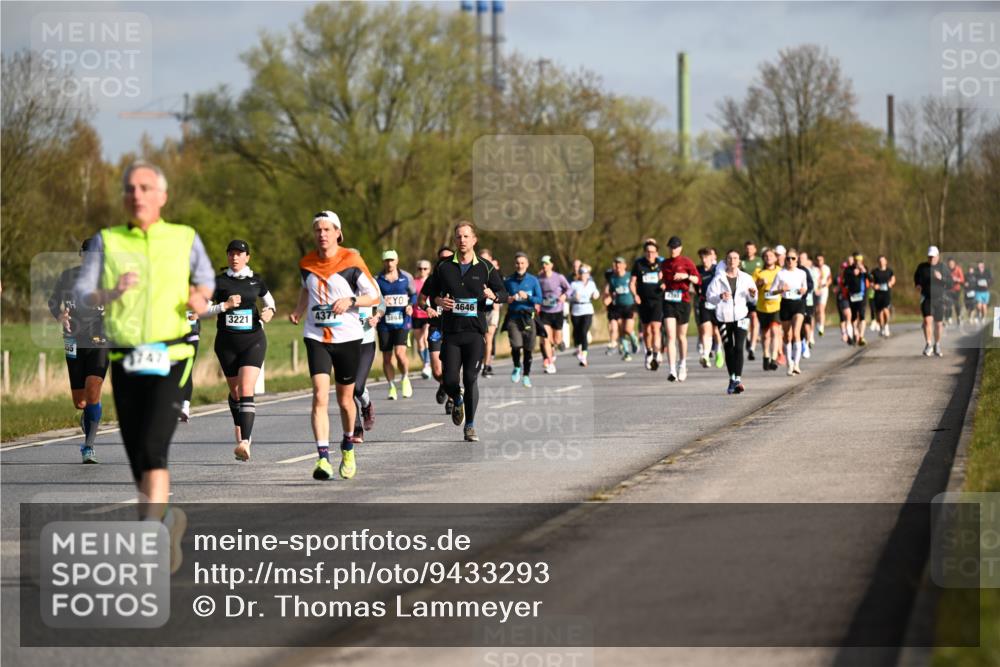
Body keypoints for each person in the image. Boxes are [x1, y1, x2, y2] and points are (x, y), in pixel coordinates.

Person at [75, 161, 214, 566]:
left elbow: (206, 280)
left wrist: (199, 298)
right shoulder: (107, 241)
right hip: (125, 357)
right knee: (138, 455)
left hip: (172, 356)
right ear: (123, 197)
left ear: (162, 196)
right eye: (130, 188)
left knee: (154, 448)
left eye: (146, 187)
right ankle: (166, 520)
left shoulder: (184, 237)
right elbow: (83, 293)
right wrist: (110, 292)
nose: (137, 194)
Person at [290, 211, 380, 480]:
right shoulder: (306, 262)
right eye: (318, 230)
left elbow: (373, 295)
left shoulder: (351, 260)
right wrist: (298, 310)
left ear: (338, 233)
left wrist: (351, 301)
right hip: (316, 336)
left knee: (344, 400)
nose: (322, 234)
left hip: (348, 338)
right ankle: (323, 459)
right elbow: (306, 288)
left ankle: (348, 446)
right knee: (319, 394)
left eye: (327, 230)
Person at [420, 222, 507, 442]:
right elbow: (424, 298)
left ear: (474, 240)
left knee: (470, 378)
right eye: (458, 237)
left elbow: (504, 293)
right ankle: (457, 400)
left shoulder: (485, 267)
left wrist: (493, 295)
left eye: (466, 236)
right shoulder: (443, 267)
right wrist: (437, 301)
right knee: (449, 380)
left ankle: (470, 426)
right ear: (455, 240)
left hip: (475, 334)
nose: (462, 240)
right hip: (451, 333)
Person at [204, 239, 276, 461]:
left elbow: (270, 303)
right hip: (226, 344)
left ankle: (245, 441)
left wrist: (269, 312)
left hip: (253, 340)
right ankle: (240, 425)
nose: (235, 257)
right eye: (231, 253)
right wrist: (223, 306)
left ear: (247, 257)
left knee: (246, 388)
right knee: (235, 393)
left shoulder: (256, 280)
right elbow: (201, 309)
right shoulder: (218, 282)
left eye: (239, 253)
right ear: (227, 257)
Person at [48, 238, 109, 463]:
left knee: (93, 389)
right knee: (80, 402)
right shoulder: (67, 277)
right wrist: (60, 315)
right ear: (81, 255)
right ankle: (89, 417)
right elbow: (53, 302)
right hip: (73, 340)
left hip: (100, 340)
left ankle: (89, 446)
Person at [707, 250, 758, 394]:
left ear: (739, 261)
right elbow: (709, 297)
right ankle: (732, 378)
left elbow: (753, 298)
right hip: (723, 317)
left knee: (739, 347)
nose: (732, 260)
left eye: (735, 258)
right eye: (729, 258)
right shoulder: (719, 278)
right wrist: (720, 296)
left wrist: (753, 294)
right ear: (726, 260)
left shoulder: (746, 277)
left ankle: (738, 380)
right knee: (728, 348)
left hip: (742, 316)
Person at [375, 250, 416, 400]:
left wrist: (411, 305)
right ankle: (392, 386)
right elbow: (372, 297)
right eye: (386, 260)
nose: (389, 263)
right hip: (384, 324)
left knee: (400, 354)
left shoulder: (406, 277)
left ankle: (405, 377)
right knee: (387, 358)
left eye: (392, 260)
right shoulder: (377, 279)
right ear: (383, 262)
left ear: (397, 261)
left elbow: (414, 295)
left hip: (402, 322)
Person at [418, 247, 455, 413]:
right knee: (437, 370)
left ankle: (453, 398)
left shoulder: (459, 279)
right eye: (442, 259)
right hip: (436, 327)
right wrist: (427, 308)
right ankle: (443, 384)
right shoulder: (432, 280)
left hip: (455, 328)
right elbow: (420, 300)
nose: (444, 262)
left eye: (448, 259)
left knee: (453, 368)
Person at [659, 236, 699, 382]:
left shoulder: (687, 262)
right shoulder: (664, 263)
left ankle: (682, 364)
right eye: (670, 247)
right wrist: (662, 283)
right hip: (669, 301)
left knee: (681, 336)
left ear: (680, 248)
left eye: (675, 247)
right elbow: (663, 279)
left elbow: (697, 279)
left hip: (683, 301)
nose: (673, 249)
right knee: (670, 335)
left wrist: (686, 276)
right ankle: (672, 370)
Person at [503, 252, 543, 387]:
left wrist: (528, 297)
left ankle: (526, 375)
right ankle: (516, 367)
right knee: (516, 345)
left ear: (527, 264)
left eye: (522, 263)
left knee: (528, 349)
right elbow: (501, 296)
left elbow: (540, 299)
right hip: (514, 317)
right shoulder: (508, 281)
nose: (520, 265)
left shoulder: (533, 280)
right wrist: (509, 298)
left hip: (528, 318)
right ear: (514, 264)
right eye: (517, 263)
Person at [770, 249, 809, 376]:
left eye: (793, 258)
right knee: (787, 335)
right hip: (786, 304)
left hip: (798, 304)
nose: (790, 261)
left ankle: (796, 364)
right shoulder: (781, 274)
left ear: (797, 259)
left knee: (796, 332)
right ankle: (789, 363)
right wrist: (781, 290)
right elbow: (771, 292)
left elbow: (805, 287)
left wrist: (804, 290)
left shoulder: (802, 273)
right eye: (788, 258)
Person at [351, 294, 382, 444]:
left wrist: (377, 317)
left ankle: (367, 405)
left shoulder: (368, 283)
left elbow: (382, 304)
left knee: (357, 387)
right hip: (345, 343)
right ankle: (357, 428)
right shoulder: (338, 283)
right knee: (347, 389)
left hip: (366, 343)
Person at [630, 240, 664, 370]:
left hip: (657, 300)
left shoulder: (661, 264)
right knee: (646, 330)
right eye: (648, 252)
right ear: (645, 253)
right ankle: (649, 352)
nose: (650, 254)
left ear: (657, 253)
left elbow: (667, 280)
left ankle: (657, 352)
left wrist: (664, 284)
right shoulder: (638, 264)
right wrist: (635, 295)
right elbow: (632, 282)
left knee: (655, 328)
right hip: (643, 301)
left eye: (653, 252)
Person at [537, 256, 571, 374]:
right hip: (545, 312)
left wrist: (564, 296)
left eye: (546, 264)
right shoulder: (539, 279)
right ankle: (550, 363)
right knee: (546, 339)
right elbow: (536, 292)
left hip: (557, 311)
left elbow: (569, 289)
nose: (544, 266)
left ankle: (558, 344)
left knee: (556, 340)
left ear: (551, 265)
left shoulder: (559, 277)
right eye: (543, 264)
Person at [913, 245, 948, 357]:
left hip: (939, 299)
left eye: (933, 256)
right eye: (929, 257)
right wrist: (917, 284)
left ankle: (937, 344)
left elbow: (950, 283)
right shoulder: (922, 267)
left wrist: (941, 278)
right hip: (926, 298)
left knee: (938, 324)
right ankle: (928, 344)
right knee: (927, 321)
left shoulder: (943, 267)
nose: (931, 259)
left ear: (938, 256)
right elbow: (916, 277)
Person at [752, 248, 783, 371]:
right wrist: (759, 283)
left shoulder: (781, 271)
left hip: (776, 306)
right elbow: (751, 288)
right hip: (762, 307)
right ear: (763, 258)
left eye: (771, 256)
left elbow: (786, 286)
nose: (769, 258)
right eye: (766, 256)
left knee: (775, 331)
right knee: (765, 335)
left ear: (775, 258)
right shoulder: (758, 272)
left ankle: (774, 358)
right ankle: (766, 356)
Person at [603, 256, 638, 361]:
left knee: (628, 329)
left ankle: (634, 339)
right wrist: (608, 297)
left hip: (629, 305)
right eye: (616, 264)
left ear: (625, 265)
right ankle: (626, 352)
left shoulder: (629, 276)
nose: (618, 266)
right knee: (621, 331)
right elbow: (609, 292)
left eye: (620, 263)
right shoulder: (613, 278)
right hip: (618, 306)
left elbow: (636, 287)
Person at [569, 264, 600, 367]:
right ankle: (578, 348)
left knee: (584, 331)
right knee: (577, 332)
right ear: (579, 275)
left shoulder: (591, 284)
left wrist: (596, 295)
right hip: (576, 310)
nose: (583, 275)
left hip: (587, 309)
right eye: (581, 273)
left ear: (588, 275)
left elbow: (596, 293)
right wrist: (573, 297)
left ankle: (584, 356)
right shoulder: (574, 284)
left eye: (585, 273)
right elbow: (567, 296)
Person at [695, 247, 722, 369]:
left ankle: (719, 351)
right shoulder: (698, 270)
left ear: (712, 257)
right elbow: (696, 285)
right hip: (704, 302)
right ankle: (705, 355)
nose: (704, 260)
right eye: (702, 258)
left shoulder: (717, 270)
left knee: (716, 331)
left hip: (717, 303)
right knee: (706, 329)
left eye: (706, 257)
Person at [479, 249, 502, 378]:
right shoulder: (474, 271)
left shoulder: (495, 274)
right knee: (480, 339)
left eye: (486, 259)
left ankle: (487, 365)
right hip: (479, 310)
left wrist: (496, 299)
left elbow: (502, 291)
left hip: (493, 310)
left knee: (488, 337)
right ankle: (481, 362)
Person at [741, 241, 763, 360]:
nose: (749, 250)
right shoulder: (741, 261)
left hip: (756, 295)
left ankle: (752, 348)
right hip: (743, 295)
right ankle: (748, 337)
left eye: (751, 248)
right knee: (745, 319)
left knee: (754, 318)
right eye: (747, 248)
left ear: (755, 249)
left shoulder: (760, 261)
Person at [411, 259, 433, 379]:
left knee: (425, 338)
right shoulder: (414, 282)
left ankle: (427, 365)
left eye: (425, 269)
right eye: (420, 269)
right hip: (416, 315)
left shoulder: (432, 281)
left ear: (429, 270)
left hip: (428, 315)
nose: (422, 271)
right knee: (419, 343)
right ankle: (426, 363)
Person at [844, 253, 869, 347]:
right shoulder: (848, 270)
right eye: (856, 259)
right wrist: (852, 274)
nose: (858, 261)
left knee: (862, 315)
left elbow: (870, 278)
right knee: (853, 317)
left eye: (860, 259)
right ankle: (856, 333)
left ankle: (861, 336)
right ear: (854, 260)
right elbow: (845, 282)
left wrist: (864, 271)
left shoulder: (864, 268)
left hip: (862, 295)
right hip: (852, 296)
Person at [869, 255, 896, 337]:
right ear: (878, 262)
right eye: (880, 261)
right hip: (878, 294)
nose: (881, 262)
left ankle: (886, 325)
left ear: (886, 262)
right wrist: (874, 286)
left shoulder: (889, 271)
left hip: (886, 293)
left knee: (886, 309)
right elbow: (870, 281)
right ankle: (882, 327)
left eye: (883, 260)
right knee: (880, 312)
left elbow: (893, 279)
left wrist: (891, 283)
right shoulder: (874, 272)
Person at [799, 251, 817, 359]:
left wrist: (805, 291)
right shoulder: (791, 270)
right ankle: (801, 343)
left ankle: (806, 341)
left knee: (806, 322)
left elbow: (812, 285)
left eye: (803, 258)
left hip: (808, 300)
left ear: (807, 260)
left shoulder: (809, 270)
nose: (801, 260)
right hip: (794, 301)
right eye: (799, 258)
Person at [814, 253, 832, 337]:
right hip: (815, 290)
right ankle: (817, 323)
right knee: (816, 310)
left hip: (824, 290)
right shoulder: (813, 269)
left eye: (820, 260)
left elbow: (829, 279)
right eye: (817, 260)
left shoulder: (826, 268)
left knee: (821, 308)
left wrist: (825, 285)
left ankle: (821, 326)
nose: (819, 261)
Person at [945, 258, 965, 326]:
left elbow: (962, 280)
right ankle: (949, 317)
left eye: (952, 263)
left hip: (957, 289)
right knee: (949, 303)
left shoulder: (958, 269)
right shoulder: (946, 270)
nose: (951, 265)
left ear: (954, 263)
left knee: (957, 304)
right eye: (949, 264)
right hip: (948, 289)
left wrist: (957, 279)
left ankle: (958, 317)